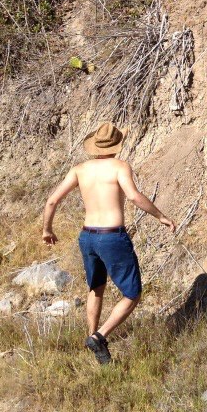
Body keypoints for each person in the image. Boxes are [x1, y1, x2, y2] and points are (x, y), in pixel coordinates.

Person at [41, 121, 176, 364]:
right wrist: (161, 216)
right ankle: (99, 337)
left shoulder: (79, 169)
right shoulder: (120, 166)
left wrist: (47, 230)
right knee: (133, 293)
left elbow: (52, 201)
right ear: (117, 145)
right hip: (112, 236)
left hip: (87, 237)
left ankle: (91, 338)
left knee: (96, 288)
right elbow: (134, 196)